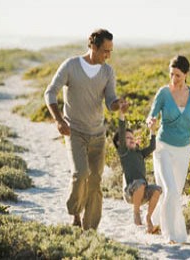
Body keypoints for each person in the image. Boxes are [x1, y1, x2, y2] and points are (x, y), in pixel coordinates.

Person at [44, 28, 124, 230]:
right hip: (75, 131)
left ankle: (90, 228)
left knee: (95, 181)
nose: (108, 55)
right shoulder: (71, 66)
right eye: (105, 50)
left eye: (111, 51)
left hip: (97, 134)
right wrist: (59, 120)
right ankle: (75, 211)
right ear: (93, 47)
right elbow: (50, 93)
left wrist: (118, 104)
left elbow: (110, 101)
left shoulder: (108, 71)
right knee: (80, 174)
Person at [146, 55, 190, 243]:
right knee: (169, 190)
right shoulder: (163, 93)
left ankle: (154, 221)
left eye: (178, 75)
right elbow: (151, 114)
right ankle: (171, 235)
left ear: (186, 74)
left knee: (174, 194)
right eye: (171, 74)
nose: (174, 79)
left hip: (183, 150)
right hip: (163, 148)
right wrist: (151, 121)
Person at [113, 100, 162, 234]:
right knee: (140, 183)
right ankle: (136, 213)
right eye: (128, 138)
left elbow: (152, 147)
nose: (132, 139)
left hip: (142, 190)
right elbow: (122, 130)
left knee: (157, 189)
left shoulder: (139, 153)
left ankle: (148, 217)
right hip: (130, 192)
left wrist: (152, 131)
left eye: (132, 137)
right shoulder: (124, 152)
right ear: (121, 142)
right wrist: (122, 114)